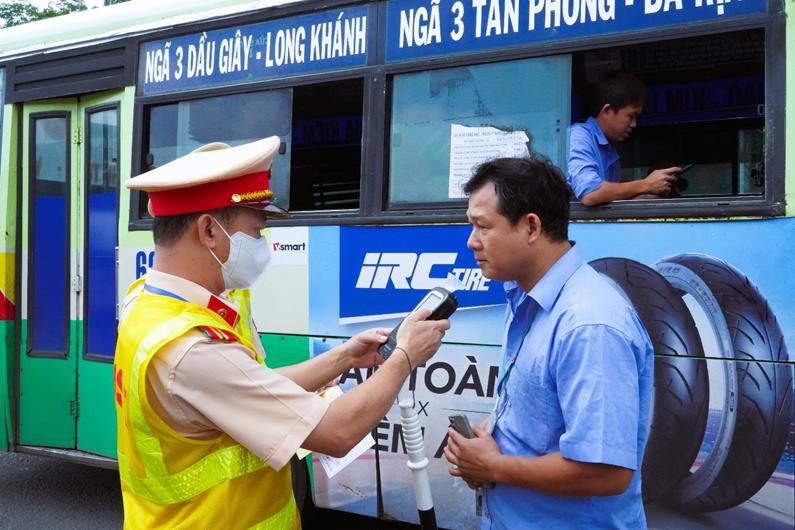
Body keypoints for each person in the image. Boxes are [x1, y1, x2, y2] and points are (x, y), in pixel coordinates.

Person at [115, 136, 450, 529]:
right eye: (256, 231)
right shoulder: (190, 349)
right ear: (208, 231)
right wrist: (405, 357)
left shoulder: (148, 303)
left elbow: (252, 387)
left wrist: (343, 357)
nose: (264, 244)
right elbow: (337, 431)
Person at [444, 156, 654, 529]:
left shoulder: (589, 325)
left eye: (483, 226)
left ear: (531, 227)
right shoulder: (525, 299)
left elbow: (606, 473)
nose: (471, 242)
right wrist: (486, 452)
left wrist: (495, 467)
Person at [567, 71, 682, 206]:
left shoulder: (609, 149)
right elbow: (590, 194)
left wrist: (649, 194)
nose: (634, 124)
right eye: (631, 116)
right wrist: (646, 185)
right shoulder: (578, 136)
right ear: (607, 111)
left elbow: (608, 202)